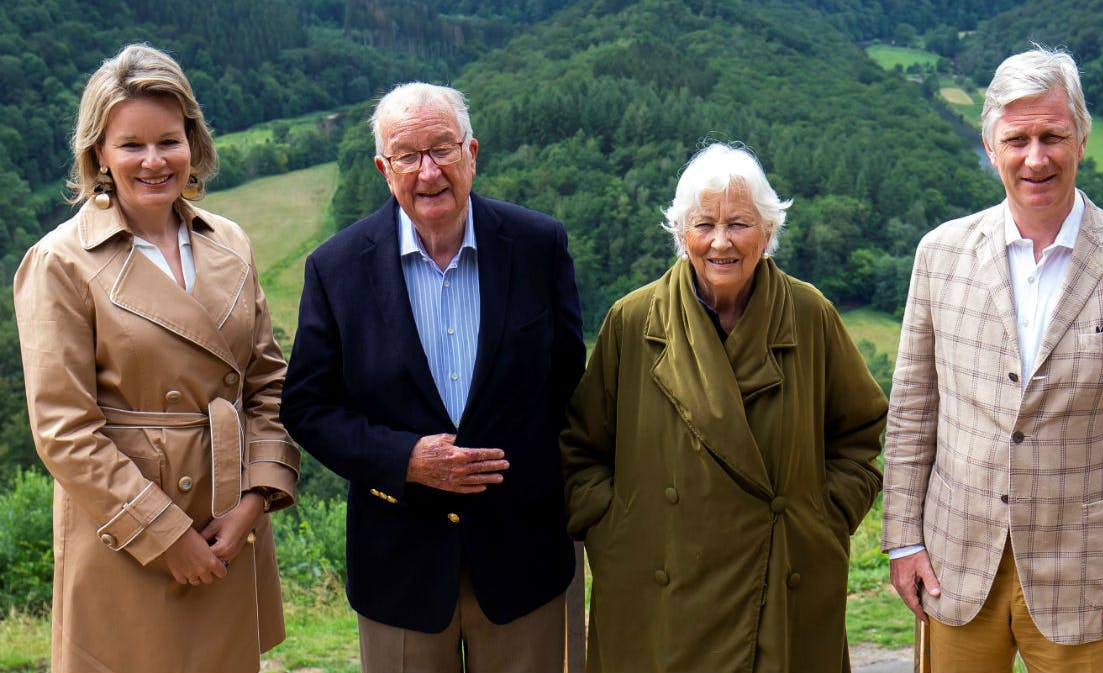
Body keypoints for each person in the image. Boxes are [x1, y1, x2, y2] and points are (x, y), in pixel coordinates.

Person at [882, 47, 1103, 673]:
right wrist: (904, 541)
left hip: (1090, 575)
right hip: (954, 563)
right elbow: (914, 409)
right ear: (990, 145)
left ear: (1080, 137)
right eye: (1017, 138)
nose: (1036, 157)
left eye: (1052, 135)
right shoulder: (939, 254)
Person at [13, 44, 299, 673]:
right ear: (98, 156)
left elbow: (270, 385)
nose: (152, 161)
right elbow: (64, 430)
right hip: (124, 537)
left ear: (193, 144)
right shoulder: (60, 261)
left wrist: (253, 504)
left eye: (169, 140)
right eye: (130, 145)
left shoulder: (230, 242)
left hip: (229, 523)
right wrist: (166, 536)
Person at [280, 81, 585, 672]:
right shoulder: (336, 269)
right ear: (382, 169)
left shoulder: (538, 245)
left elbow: (570, 388)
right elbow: (308, 408)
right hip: (401, 565)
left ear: (472, 153)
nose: (428, 172)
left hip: (524, 555)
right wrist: (405, 459)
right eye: (407, 156)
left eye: (443, 149)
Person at [560, 142, 888, 672]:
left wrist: (819, 519)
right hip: (655, 589)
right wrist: (618, 526)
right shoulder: (633, 319)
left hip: (781, 580)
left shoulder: (809, 316)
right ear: (680, 231)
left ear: (767, 231)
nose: (720, 243)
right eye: (703, 224)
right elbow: (580, 445)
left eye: (738, 223)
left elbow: (859, 433)